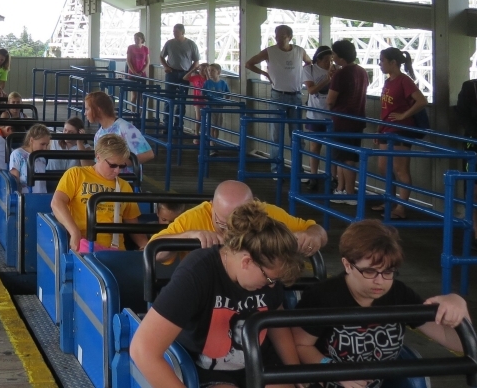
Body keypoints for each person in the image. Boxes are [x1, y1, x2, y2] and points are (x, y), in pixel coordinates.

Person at [130, 202, 304, 388]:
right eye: (270, 280)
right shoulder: (197, 273)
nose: (272, 286)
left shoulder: (266, 273)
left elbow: (275, 322)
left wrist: (295, 374)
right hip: (208, 370)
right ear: (247, 262)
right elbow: (142, 350)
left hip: (259, 362)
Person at [294, 220, 470, 388]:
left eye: (388, 272)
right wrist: (334, 370)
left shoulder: (398, 294)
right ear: (347, 265)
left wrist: (458, 305)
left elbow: (456, 343)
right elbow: (300, 345)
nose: (380, 281)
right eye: (369, 271)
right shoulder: (323, 296)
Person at [152, 180, 327, 259]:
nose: (230, 233)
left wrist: (313, 235)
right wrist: (188, 236)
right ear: (212, 206)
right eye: (222, 224)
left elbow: (317, 230)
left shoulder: (266, 213)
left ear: (254, 208)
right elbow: (154, 251)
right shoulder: (193, 218)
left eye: (241, 225)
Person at [51, 134, 141, 252]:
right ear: (98, 157)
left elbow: (132, 221)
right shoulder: (76, 174)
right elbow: (57, 202)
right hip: (83, 246)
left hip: (115, 250)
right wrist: (74, 232)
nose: (117, 171)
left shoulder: (124, 186)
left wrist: (144, 245)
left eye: (122, 166)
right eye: (113, 165)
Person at [245, 25, 312, 172]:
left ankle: (297, 168)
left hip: (295, 95)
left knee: (297, 135)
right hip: (278, 95)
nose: (278, 39)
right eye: (276, 36)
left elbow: (309, 62)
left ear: (289, 37)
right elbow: (248, 63)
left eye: (281, 36)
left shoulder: (299, 51)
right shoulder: (270, 51)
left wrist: (304, 76)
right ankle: (276, 168)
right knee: (276, 134)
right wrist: (265, 73)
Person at [376, 47, 428, 220]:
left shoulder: (404, 81)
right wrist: (379, 128)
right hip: (386, 128)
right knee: (383, 166)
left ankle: (401, 207)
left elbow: (421, 101)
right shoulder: (388, 81)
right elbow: (385, 107)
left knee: (400, 168)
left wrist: (404, 116)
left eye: (382, 60)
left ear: (393, 63)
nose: (380, 64)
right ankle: (390, 200)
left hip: (400, 130)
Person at [328, 39, 370, 202]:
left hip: (341, 120)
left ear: (340, 56)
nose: (332, 57)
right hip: (357, 119)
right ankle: (342, 189)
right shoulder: (361, 71)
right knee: (348, 156)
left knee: (344, 158)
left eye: (334, 54)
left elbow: (330, 100)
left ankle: (349, 192)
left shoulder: (341, 73)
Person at [86, 90, 154, 172]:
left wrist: (120, 163)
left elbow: (148, 154)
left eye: (87, 109)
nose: (85, 113)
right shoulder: (98, 135)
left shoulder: (125, 128)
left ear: (98, 109)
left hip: (126, 182)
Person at [301, 45, 334, 191]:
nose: (329, 63)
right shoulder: (309, 70)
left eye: (331, 60)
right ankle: (313, 176)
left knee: (332, 148)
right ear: (318, 59)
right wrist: (328, 79)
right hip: (314, 114)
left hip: (332, 115)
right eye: (326, 60)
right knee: (314, 147)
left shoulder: (335, 70)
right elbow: (311, 89)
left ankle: (333, 177)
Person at [457, 58, 477, 249]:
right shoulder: (470, 88)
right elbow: (462, 115)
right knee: (475, 189)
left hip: (474, 142)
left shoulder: (469, 88)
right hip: (475, 145)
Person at [160, 24, 200, 130]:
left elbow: (196, 61)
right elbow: (161, 56)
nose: (174, 33)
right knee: (169, 99)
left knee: (182, 101)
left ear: (182, 32)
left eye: (176, 32)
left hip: (184, 74)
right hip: (171, 72)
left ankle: (179, 125)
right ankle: (167, 125)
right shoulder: (169, 43)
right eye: (174, 31)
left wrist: (189, 72)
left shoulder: (191, 44)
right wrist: (166, 66)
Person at [9, 124, 52, 193]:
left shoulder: (41, 157)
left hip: (42, 196)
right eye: (42, 144)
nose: (45, 148)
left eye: (47, 145)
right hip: (25, 197)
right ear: (31, 140)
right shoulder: (17, 154)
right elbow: (14, 180)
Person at [202, 63, 230, 151]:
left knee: (217, 125)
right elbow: (203, 94)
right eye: (209, 70)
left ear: (219, 72)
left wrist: (224, 101)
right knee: (211, 125)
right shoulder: (207, 83)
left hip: (220, 106)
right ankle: (211, 143)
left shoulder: (223, 83)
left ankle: (215, 141)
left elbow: (228, 94)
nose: (210, 72)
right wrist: (207, 101)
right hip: (211, 106)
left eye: (212, 71)